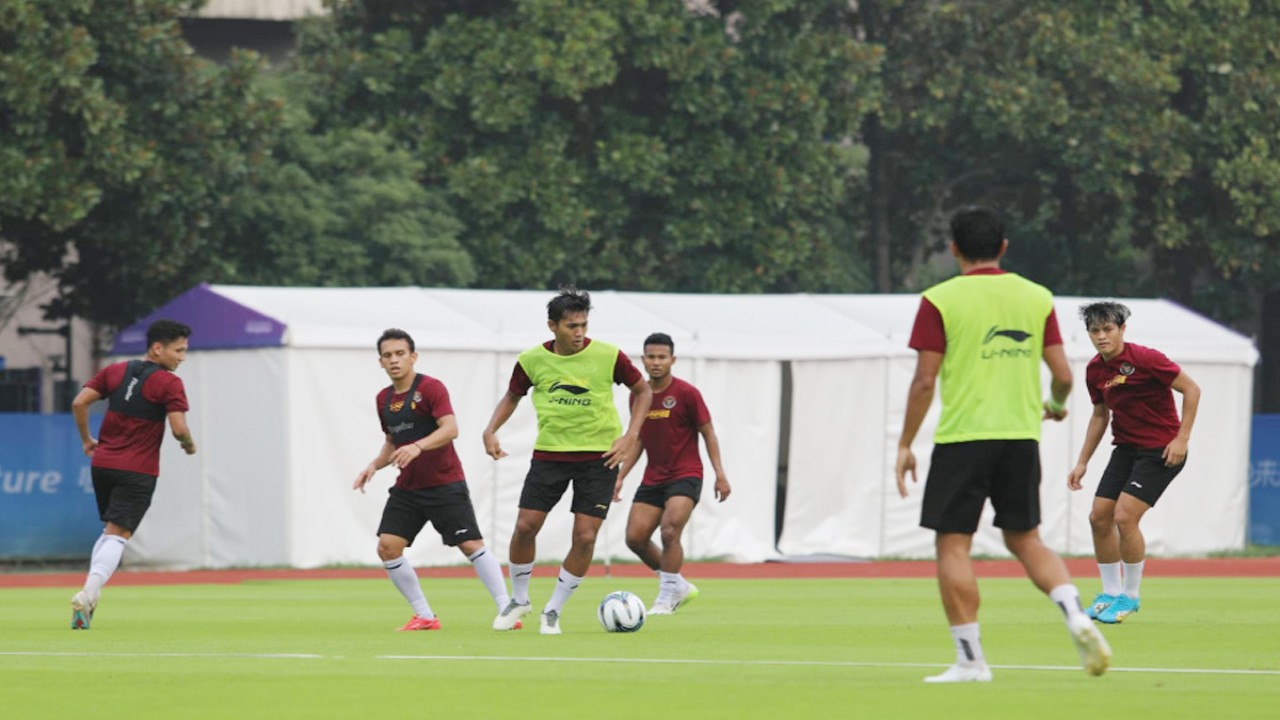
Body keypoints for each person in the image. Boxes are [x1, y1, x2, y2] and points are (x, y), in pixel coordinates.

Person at [895, 207, 1111, 682]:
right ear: (1004, 247)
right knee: (1027, 539)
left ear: (953, 249)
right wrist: (1054, 405)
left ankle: (971, 660)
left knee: (953, 545)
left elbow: (924, 382)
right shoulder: (1036, 296)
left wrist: (905, 443)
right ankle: (1075, 613)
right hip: (1020, 438)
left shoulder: (938, 299)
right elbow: (1061, 376)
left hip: (964, 438)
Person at [483, 286, 652, 635]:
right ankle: (520, 599)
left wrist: (631, 435)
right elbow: (512, 395)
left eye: (584, 325)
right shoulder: (531, 360)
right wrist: (491, 429)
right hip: (550, 455)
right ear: (552, 326)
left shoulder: (609, 355)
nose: (579, 333)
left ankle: (553, 611)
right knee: (525, 526)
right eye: (572, 326)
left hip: (600, 457)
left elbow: (642, 390)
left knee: (586, 536)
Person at [353, 329, 513, 631]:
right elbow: (392, 441)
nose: (394, 360)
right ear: (380, 363)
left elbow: (451, 429)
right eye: (388, 356)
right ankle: (425, 615)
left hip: (443, 482)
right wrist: (374, 465)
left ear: (413, 357)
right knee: (388, 546)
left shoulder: (431, 388)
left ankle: (507, 609)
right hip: (408, 488)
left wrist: (417, 446)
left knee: (470, 545)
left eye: (400, 354)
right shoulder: (383, 400)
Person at [1067, 302, 1201, 624]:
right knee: (1099, 517)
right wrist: (1082, 461)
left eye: (1107, 329)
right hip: (1126, 449)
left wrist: (1182, 439)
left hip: (1162, 451)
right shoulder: (1095, 371)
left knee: (1124, 516)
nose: (1101, 337)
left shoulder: (1146, 359)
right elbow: (1100, 415)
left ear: (1122, 329)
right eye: (1094, 331)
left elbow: (1192, 389)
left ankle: (1130, 596)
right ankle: (1110, 593)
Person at [69, 319, 197, 629]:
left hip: (103, 465)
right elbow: (179, 428)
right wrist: (189, 444)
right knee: (119, 535)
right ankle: (87, 594)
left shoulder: (115, 370)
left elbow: (79, 402)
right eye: (178, 350)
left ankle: (90, 597)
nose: (182, 357)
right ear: (158, 348)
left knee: (110, 532)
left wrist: (87, 440)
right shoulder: (169, 383)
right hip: (137, 470)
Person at [614, 332, 730, 614]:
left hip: (686, 474)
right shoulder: (638, 396)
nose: (656, 362)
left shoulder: (687, 393)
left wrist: (720, 473)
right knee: (635, 538)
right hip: (654, 476)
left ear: (672, 360)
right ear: (643, 360)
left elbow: (708, 432)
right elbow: (639, 439)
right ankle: (677, 583)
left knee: (669, 530)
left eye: (662, 357)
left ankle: (666, 597)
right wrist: (619, 476)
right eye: (651, 357)